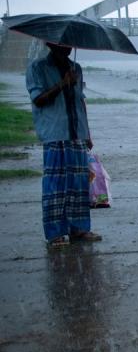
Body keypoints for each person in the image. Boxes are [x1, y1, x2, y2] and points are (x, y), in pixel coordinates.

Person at [25, 43, 102, 247]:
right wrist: (62, 83)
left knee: (78, 185)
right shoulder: (37, 68)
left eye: (70, 43)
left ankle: (80, 229)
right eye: (62, 43)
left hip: (77, 134)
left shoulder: (76, 68)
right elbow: (38, 100)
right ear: (50, 44)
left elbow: (80, 101)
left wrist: (87, 132)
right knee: (55, 187)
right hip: (55, 134)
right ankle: (55, 234)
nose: (67, 47)